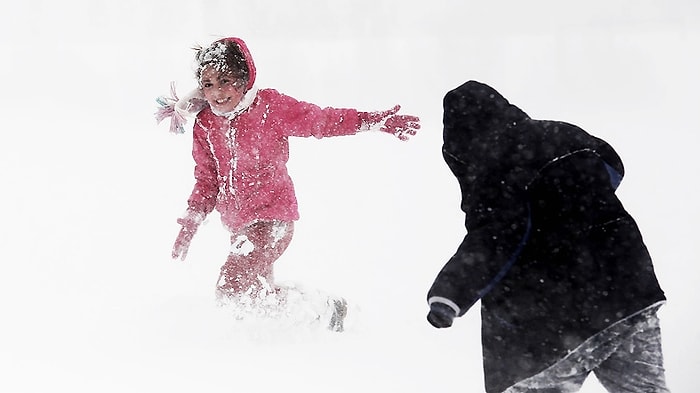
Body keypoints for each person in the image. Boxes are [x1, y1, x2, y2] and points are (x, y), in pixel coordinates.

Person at [155, 37, 419, 331]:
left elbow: (321, 119)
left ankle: (266, 336)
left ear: (245, 80)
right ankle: (322, 312)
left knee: (230, 289)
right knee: (256, 295)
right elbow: (207, 179)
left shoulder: (269, 108)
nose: (216, 92)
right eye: (208, 84)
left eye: (225, 80)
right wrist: (193, 217)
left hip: (272, 219)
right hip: (237, 224)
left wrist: (370, 121)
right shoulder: (205, 123)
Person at [425, 80, 669, 392]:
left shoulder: (493, 169)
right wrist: (574, 206)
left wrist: (449, 295)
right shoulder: (563, 133)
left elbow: (493, 238)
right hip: (629, 291)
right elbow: (612, 165)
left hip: (555, 317)